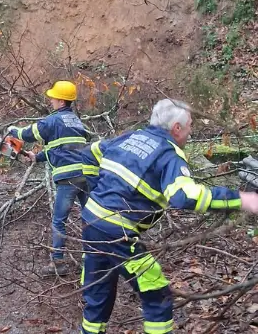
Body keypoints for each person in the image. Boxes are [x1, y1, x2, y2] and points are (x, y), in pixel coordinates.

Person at [80, 99, 258, 334]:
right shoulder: (168, 154)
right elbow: (185, 196)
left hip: (91, 220)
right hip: (118, 232)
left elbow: (90, 153)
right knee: (157, 294)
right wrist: (243, 199)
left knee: (97, 288)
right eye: (189, 126)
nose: (190, 132)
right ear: (176, 128)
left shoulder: (131, 137)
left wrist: (97, 190)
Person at [6, 80, 96, 275]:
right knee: (90, 218)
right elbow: (63, 149)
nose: (51, 101)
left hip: (67, 178)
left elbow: (28, 134)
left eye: (54, 97)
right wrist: (36, 157)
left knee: (58, 221)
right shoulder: (76, 122)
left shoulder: (54, 120)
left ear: (62, 101)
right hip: (85, 175)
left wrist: (13, 130)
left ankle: (58, 263)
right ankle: (94, 259)